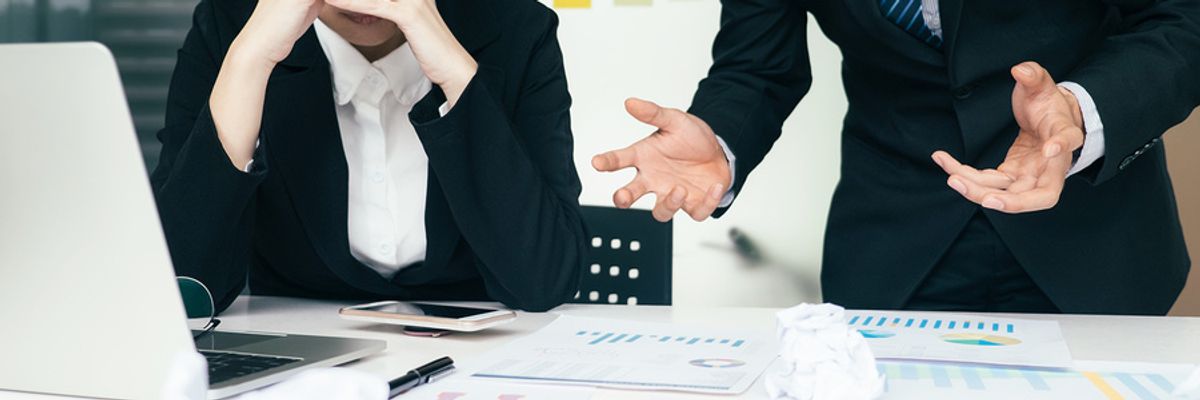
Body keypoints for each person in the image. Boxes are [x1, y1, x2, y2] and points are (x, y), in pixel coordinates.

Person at [594, 0, 1200, 315]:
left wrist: (1079, 110)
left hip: (1091, 233)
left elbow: (1181, 19)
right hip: (894, 242)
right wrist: (721, 137)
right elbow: (757, 63)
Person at [152, 0, 585, 313]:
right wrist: (251, 61)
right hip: (303, 356)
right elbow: (182, 291)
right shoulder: (230, 25)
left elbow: (544, 282)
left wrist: (454, 72)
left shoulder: (515, 27)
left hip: (483, 354)